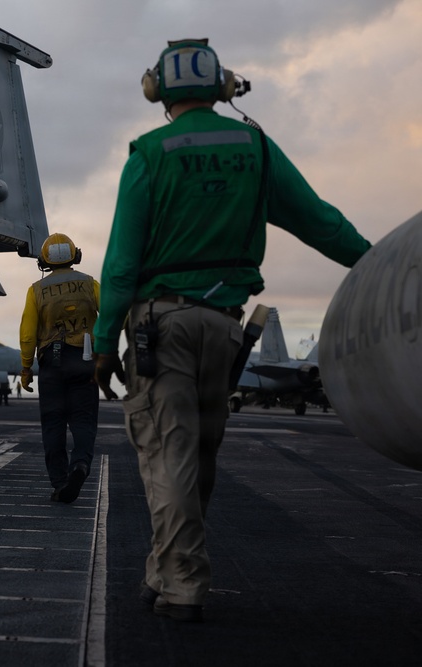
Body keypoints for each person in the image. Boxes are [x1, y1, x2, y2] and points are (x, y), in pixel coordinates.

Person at [93, 39, 372, 622]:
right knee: (198, 456)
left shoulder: (149, 154)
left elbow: (120, 265)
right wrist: (382, 264)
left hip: (159, 327)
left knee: (167, 455)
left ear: (156, 90)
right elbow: (320, 222)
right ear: (224, 87)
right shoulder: (256, 148)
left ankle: (183, 585)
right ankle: (164, 568)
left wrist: (101, 342)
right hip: (225, 328)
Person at [19, 233, 101, 504]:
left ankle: (59, 483)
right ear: (75, 256)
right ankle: (80, 464)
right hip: (85, 361)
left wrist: (26, 368)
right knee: (83, 420)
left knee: (53, 423)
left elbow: (28, 334)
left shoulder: (36, 290)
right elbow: (115, 315)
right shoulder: (90, 284)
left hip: (52, 364)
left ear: (43, 262)